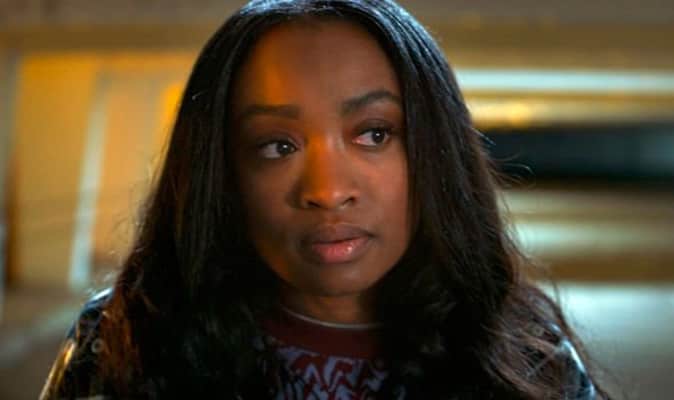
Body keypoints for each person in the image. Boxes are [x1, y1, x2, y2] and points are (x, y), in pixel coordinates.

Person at [41, 0, 609, 398]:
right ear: (224, 174)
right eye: (277, 146)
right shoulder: (125, 344)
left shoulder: (526, 354)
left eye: (374, 134)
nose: (328, 191)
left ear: (435, 151)